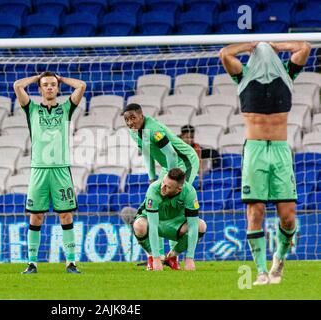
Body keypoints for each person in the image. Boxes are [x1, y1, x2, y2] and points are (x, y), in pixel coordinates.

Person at [219, 41, 311, 285]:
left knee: (288, 216)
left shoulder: (288, 73)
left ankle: (278, 261)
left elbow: (304, 47)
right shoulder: (243, 77)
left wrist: (275, 45)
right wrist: (251, 45)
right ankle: (260, 271)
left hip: (281, 150)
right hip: (255, 150)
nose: (264, 54)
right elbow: (224, 53)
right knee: (255, 211)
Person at [14, 71, 86, 274]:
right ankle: (32, 263)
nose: (49, 87)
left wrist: (62, 79)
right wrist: (37, 77)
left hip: (61, 170)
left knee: (66, 215)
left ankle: (71, 262)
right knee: (36, 217)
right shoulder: (32, 109)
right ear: (39, 88)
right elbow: (17, 85)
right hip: (39, 170)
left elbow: (81, 85)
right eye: (45, 84)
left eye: (53, 84)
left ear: (58, 88)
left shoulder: (65, 109)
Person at [123, 103, 200, 270]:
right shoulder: (133, 132)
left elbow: (172, 154)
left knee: (177, 203)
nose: (130, 122)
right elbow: (146, 152)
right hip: (168, 166)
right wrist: (151, 177)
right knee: (158, 203)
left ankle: (173, 256)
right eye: (127, 120)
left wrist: (169, 177)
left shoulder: (155, 130)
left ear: (141, 116)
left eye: (133, 118)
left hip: (184, 163)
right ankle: (156, 255)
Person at [132, 168, 206, 271]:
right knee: (139, 225)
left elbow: (193, 225)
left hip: (175, 225)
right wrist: (156, 259)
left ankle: (171, 256)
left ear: (179, 189)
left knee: (201, 226)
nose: (162, 187)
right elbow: (153, 225)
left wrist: (189, 258)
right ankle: (151, 256)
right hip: (154, 223)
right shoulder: (154, 189)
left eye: (168, 187)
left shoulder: (189, 192)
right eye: (163, 182)